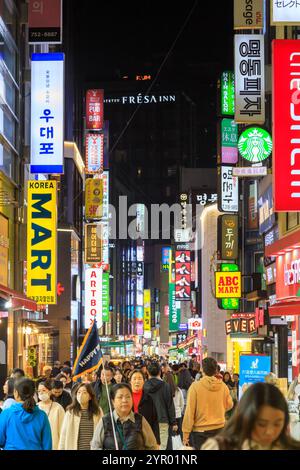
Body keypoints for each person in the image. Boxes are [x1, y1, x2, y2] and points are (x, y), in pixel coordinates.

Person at [202, 382, 300, 450]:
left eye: (278, 423)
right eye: (262, 424)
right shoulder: (219, 447)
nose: (270, 432)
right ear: (245, 418)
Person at [182, 357, 233, 450]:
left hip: (200, 432)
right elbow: (230, 405)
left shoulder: (195, 387)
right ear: (215, 370)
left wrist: (186, 434)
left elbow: (189, 412)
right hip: (220, 428)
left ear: (202, 370)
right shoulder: (223, 386)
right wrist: (219, 408)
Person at [91, 383, 158, 450]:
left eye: (128, 397)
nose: (124, 400)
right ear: (113, 401)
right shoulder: (105, 421)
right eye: (120, 397)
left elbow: (153, 446)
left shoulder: (140, 420)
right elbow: (95, 447)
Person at [0, 377, 52, 450]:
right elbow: (47, 445)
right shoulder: (42, 415)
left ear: (16, 393)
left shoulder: (6, 414)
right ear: (33, 393)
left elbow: (1, 440)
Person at [144, 362, 177, 450]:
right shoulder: (166, 386)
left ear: (147, 372)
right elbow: (170, 405)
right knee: (162, 447)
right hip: (162, 420)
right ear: (160, 372)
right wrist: (173, 422)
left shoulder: (144, 386)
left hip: (147, 422)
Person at [59, 382, 102, 450]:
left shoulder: (98, 411)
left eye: (84, 392)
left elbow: (102, 432)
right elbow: (63, 434)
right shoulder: (70, 412)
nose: (81, 395)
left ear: (90, 396)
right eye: (79, 392)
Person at [129, 369, 160, 444]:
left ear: (144, 381)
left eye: (140, 379)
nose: (137, 381)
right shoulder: (126, 397)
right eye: (134, 379)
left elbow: (155, 421)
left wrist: (157, 440)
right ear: (130, 381)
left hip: (146, 436)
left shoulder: (149, 398)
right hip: (128, 436)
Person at [37, 379, 65, 450]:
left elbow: (63, 430)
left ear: (50, 391)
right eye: (39, 391)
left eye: (44, 390)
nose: (41, 393)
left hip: (54, 445)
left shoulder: (58, 408)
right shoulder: (36, 407)